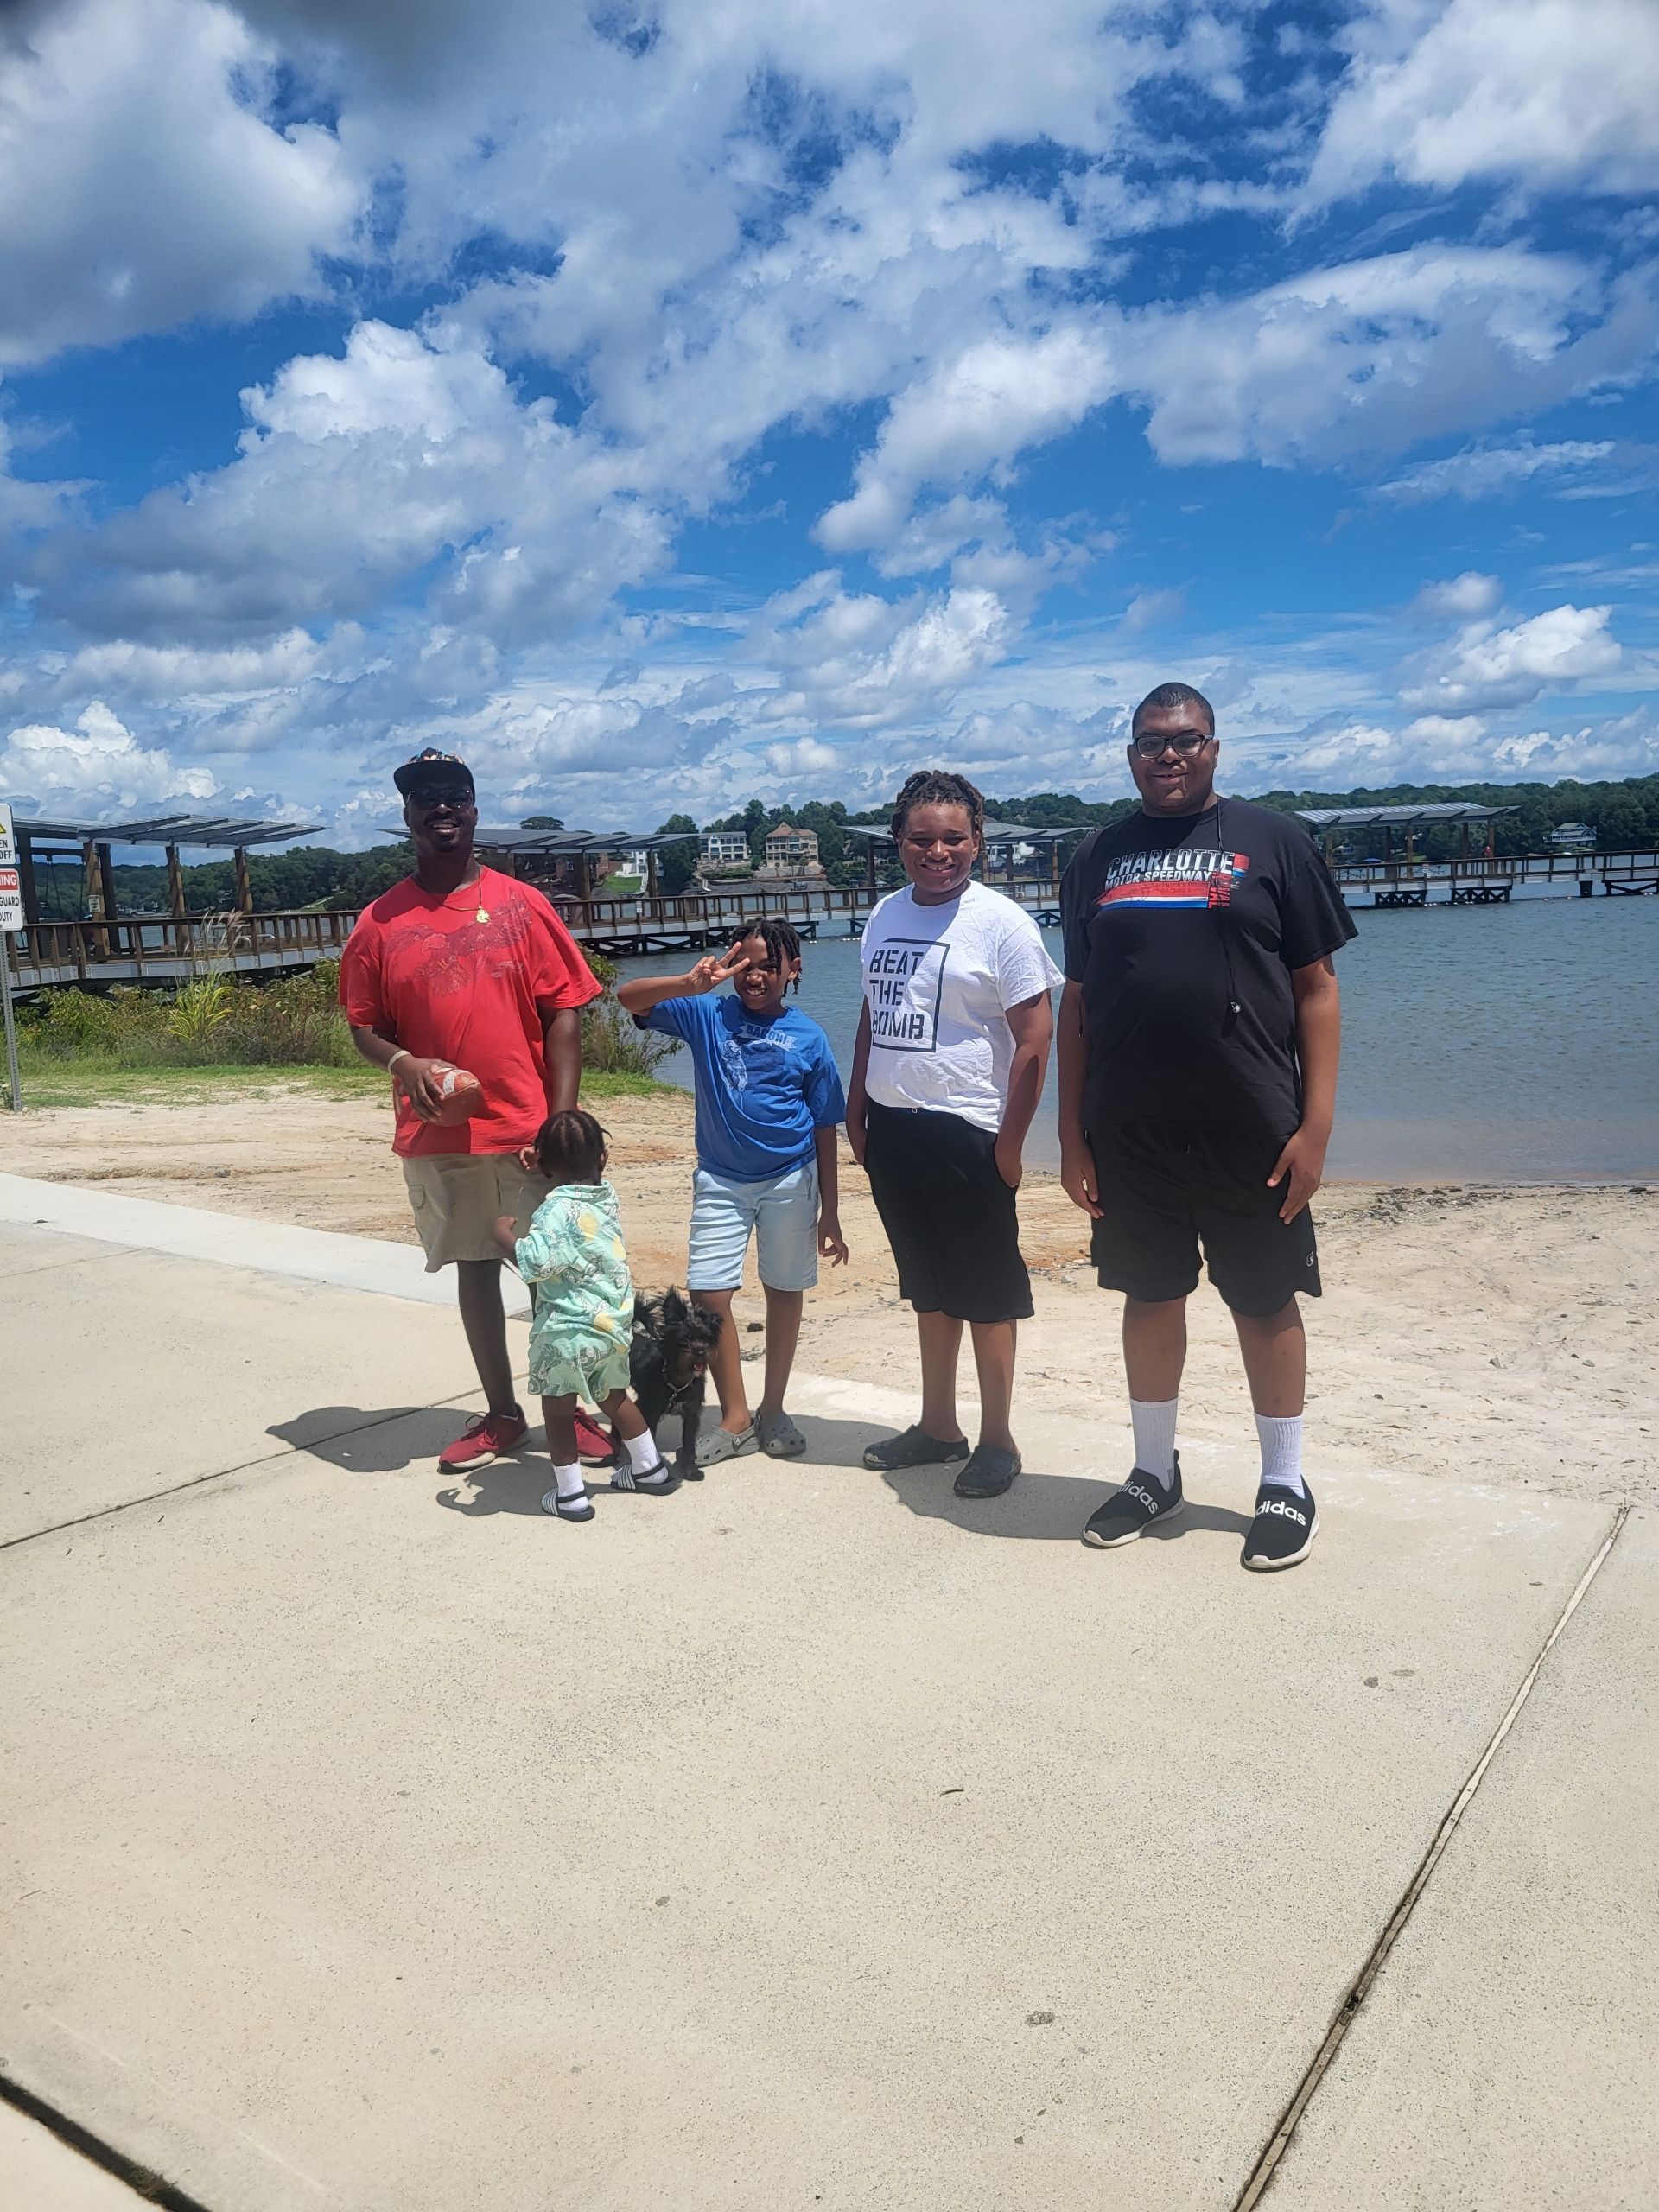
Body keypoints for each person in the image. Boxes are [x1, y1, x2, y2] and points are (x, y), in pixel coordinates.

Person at [1056, 682, 1356, 1570]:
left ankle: (1285, 1483)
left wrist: (1316, 1127)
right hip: (1130, 1128)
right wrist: (1070, 1136)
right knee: (1150, 1297)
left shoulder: (1275, 840)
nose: (1169, 755)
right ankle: (1155, 1473)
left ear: (1214, 747)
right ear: (1130, 756)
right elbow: (1078, 1004)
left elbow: (1317, 988)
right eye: (1151, 742)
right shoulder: (1096, 856)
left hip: (1252, 1123)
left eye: (1185, 740)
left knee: (1264, 1299)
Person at [340, 748, 603, 1474]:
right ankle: (503, 1414)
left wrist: (561, 1123)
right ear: (407, 815)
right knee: (475, 1267)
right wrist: (406, 1065)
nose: (441, 807)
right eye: (426, 797)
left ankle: (572, 1412)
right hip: (440, 1130)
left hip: (527, 1128)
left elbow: (564, 1011)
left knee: (553, 1274)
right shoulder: (378, 922)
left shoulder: (523, 905)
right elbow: (364, 1025)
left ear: (475, 810)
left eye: (454, 794)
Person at [848, 770, 1061, 1499]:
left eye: (953, 839)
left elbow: (1035, 1040)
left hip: (970, 1130)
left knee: (986, 1294)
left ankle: (998, 1439)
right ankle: (938, 1426)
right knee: (929, 1289)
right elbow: (873, 1014)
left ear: (978, 842)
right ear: (899, 842)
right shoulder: (884, 914)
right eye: (922, 839)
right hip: (894, 1129)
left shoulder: (1003, 924)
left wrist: (1010, 1144)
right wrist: (857, 1110)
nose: (937, 852)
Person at [616, 918, 848, 1464]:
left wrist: (831, 1212)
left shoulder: (811, 1037)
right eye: (744, 964)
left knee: (784, 1290)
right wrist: (688, 983)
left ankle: (774, 1407)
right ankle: (736, 1415)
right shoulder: (707, 1014)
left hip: (791, 1179)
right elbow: (628, 997)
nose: (755, 976)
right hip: (721, 1178)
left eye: (769, 966)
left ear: (794, 970)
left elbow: (825, 1127)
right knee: (708, 1293)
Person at [489, 1109, 675, 1520]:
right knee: (615, 1398)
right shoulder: (606, 1198)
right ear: (603, 1158)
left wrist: (503, 1235)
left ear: (542, 1163)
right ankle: (651, 1469)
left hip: (565, 1331)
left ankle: (571, 1495)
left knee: (558, 1413)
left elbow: (537, 1262)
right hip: (609, 1326)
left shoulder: (552, 1210)